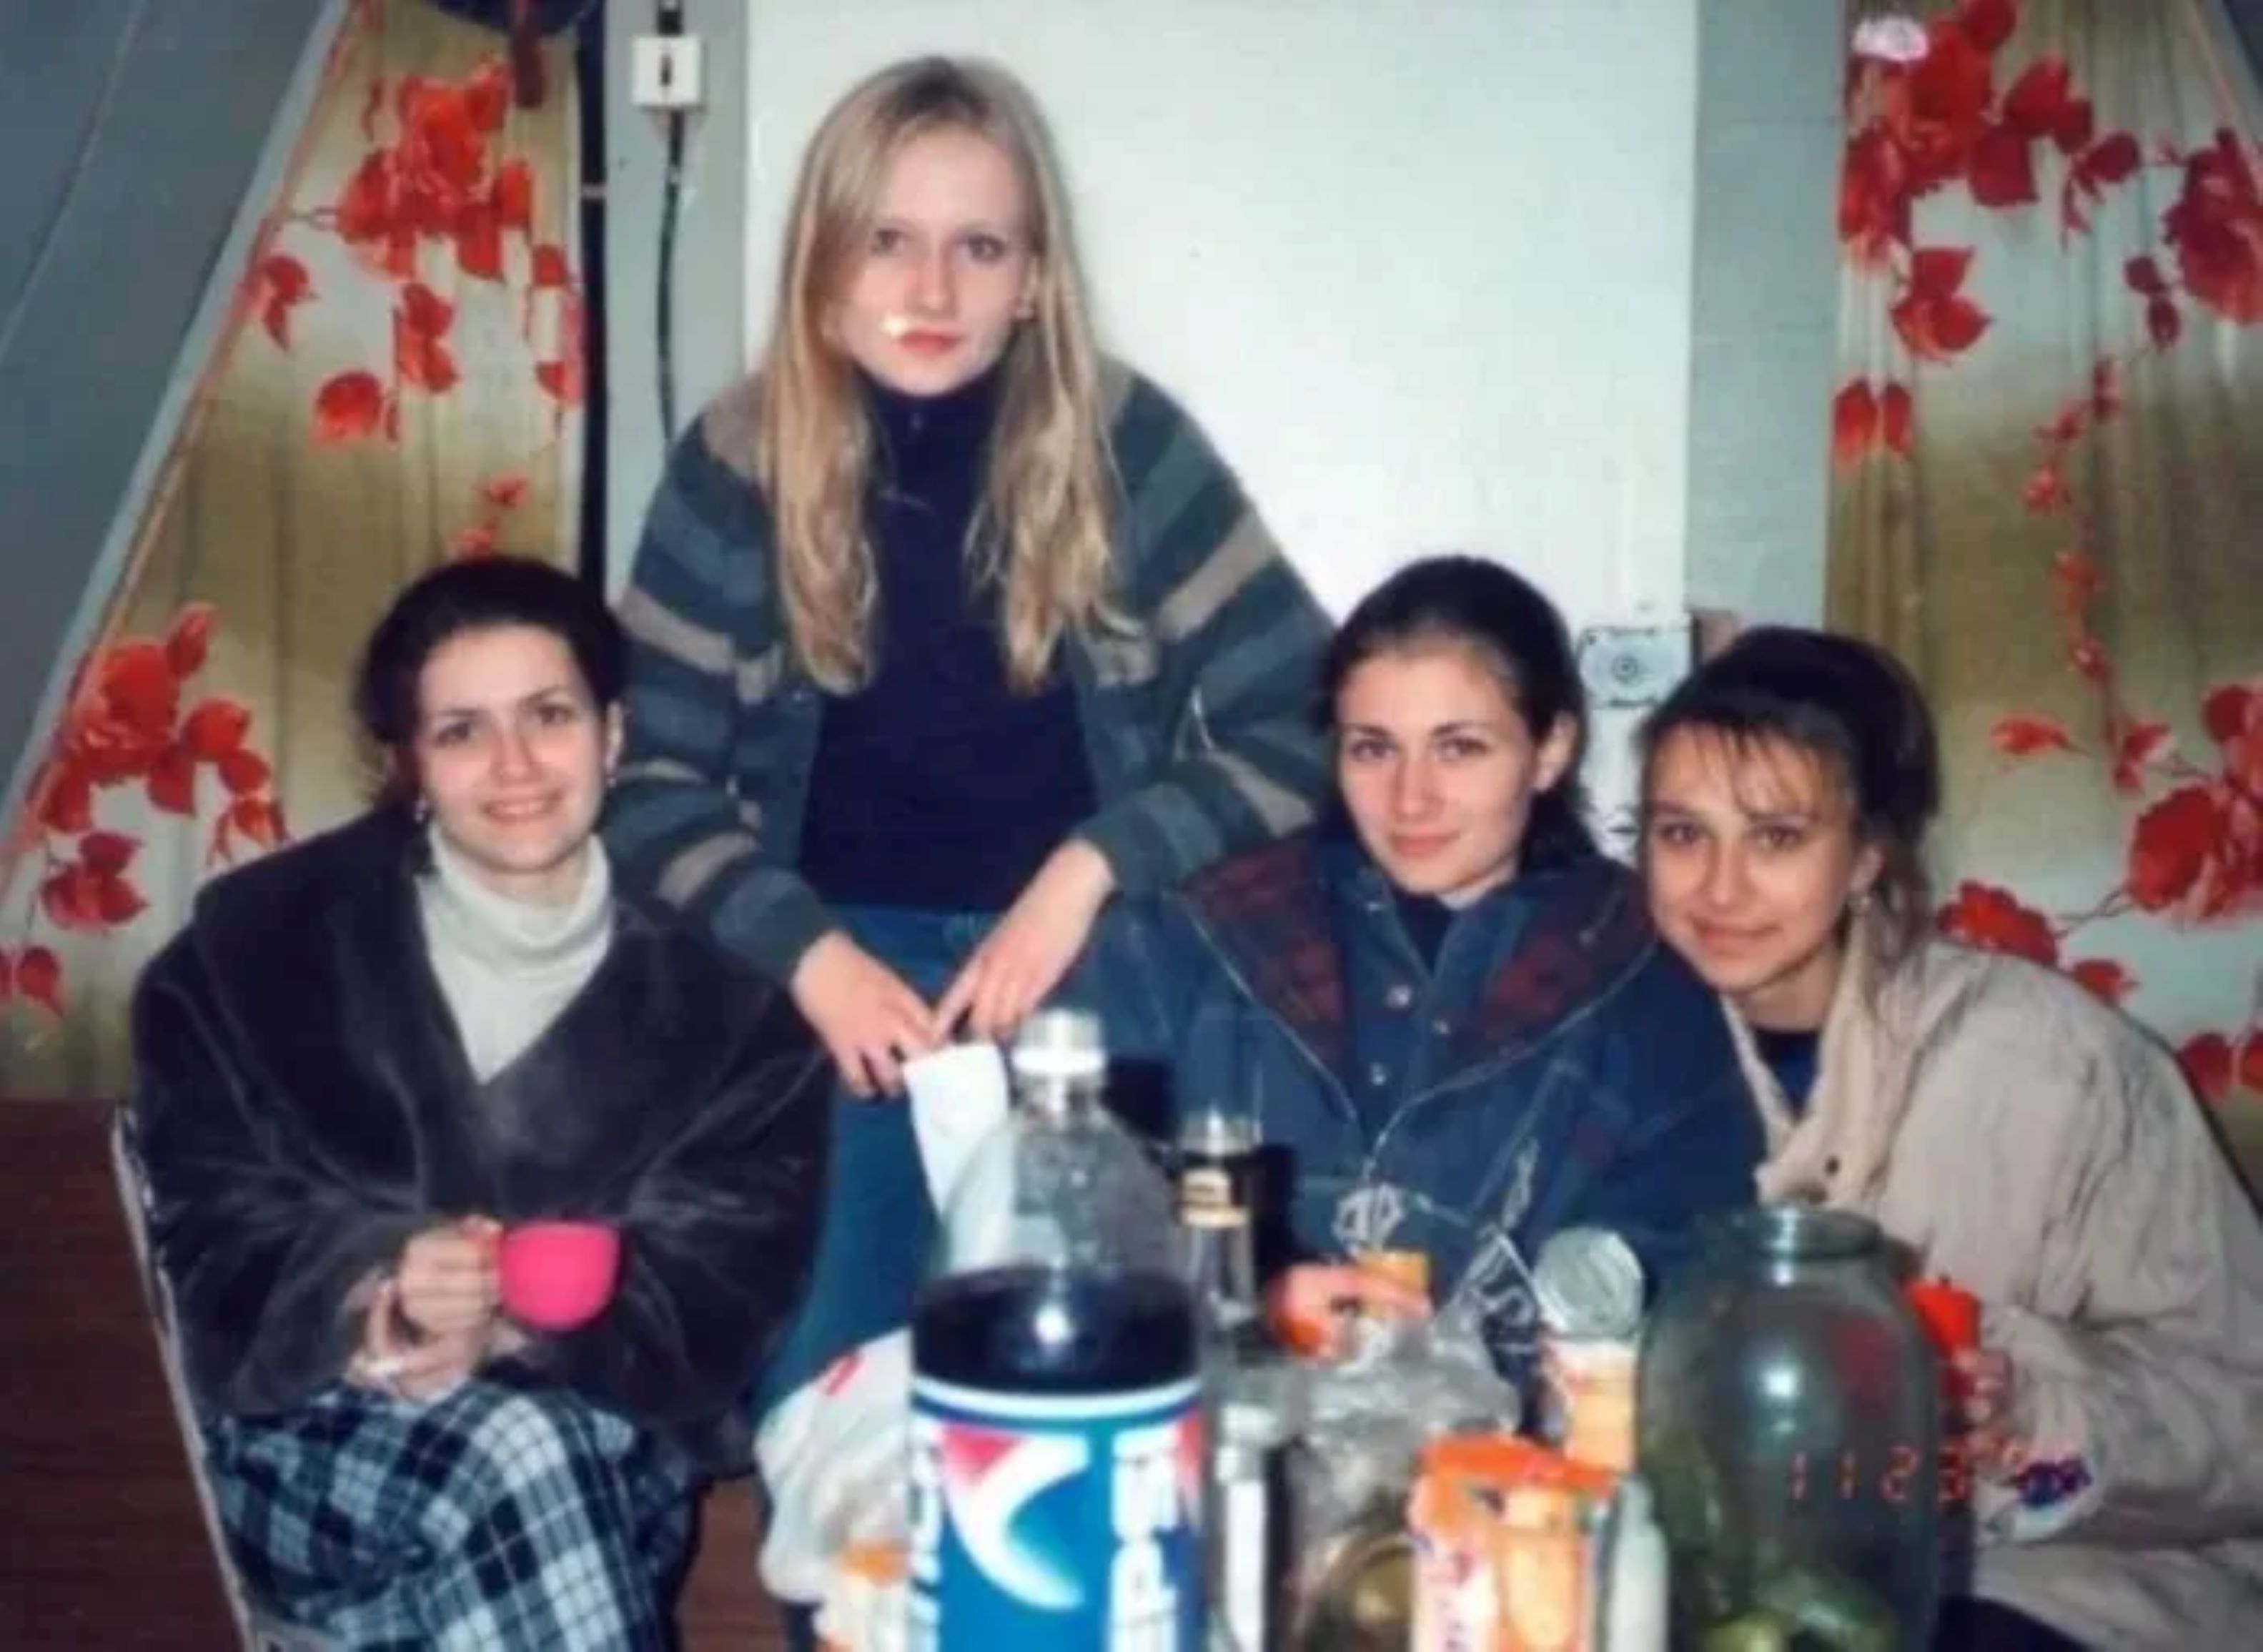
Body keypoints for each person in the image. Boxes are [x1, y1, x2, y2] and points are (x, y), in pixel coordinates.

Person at [603, 54, 1332, 1628]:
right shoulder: (736, 465)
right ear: (822, 265)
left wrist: (1087, 870)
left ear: (1033, 277)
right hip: (833, 997)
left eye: (978, 247)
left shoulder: (1127, 446)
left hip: (1083, 986)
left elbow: (1308, 725)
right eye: (888, 241)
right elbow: (643, 782)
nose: (930, 290)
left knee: (1099, 1413)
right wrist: (808, 954)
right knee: (840, 1430)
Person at [127, 555, 830, 1648]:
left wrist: (510, 1323)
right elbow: (214, 1238)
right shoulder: (251, 953)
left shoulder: (733, 1001)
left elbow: (720, 1289)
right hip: (317, 1450)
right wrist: (379, 1281)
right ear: (410, 761)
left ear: (613, 733)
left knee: (529, 1452)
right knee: (521, 1459)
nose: (515, 765)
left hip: (597, 1452)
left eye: (549, 715)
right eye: (461, 730)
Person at [1637, 625, 2263, 1650]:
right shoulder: (1618, 1052)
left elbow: (2245, 1415)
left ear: (1866, 855)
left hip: (2047, 1579)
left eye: (1777, 837)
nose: (1718, 887)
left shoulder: (2050, 1065)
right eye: (1680, 833)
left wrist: (2025, 1412)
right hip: (1735, 1580)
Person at [1139, 555, 1763, 1383]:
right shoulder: (1203, 936)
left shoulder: (1639, 973)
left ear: (1550, 749)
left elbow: (1696, 1274)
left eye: (1459, 748)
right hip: (1218, 1435)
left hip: (1522, 1453)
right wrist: (1251, 1306)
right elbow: (1070, 1213)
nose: (1410, 799)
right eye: (1372, 748)